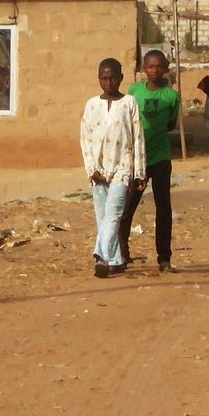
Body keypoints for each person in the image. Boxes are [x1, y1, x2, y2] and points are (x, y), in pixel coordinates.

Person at [80, 58, 145, 279]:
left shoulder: (129, 103)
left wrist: (140, 172)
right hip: (98, 168)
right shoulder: (91, 105)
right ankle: (116, 259)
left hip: (123, 166)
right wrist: (91, 169)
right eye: (105, 78)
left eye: (113, 77)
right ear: (99, 78)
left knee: (114, 214)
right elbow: (85, 139)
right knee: (102, 216)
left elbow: (138, 138)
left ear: (121, 78)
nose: (109, 82)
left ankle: (101, 256)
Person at [119, 49, 180, 272]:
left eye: (159, 66)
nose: (155, 70)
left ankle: (164, 258)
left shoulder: (172, 96)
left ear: (165, 68)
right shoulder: (134, 92)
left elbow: (170, 125)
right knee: (128, 205)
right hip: (137, 159)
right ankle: (122, 253)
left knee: (163, 209)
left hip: (161, 157)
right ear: (144, 69)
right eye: (150, 66)